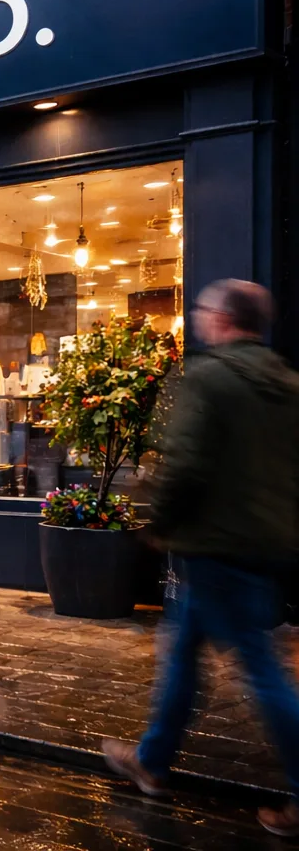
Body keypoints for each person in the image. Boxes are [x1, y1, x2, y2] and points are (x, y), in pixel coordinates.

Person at [103, 280, 299, 836]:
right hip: (266, 546)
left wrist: (158, 522)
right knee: (185, 650)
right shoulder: (288, 384)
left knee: (262, 674)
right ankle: (153, 761)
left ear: (223, 319)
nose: (198, 318)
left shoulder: (209, 378)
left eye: (203, 311)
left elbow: (183, 464)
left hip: (215, 545)